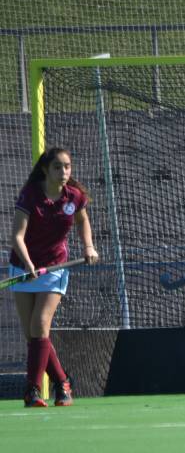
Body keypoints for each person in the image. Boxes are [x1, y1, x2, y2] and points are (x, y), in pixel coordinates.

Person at [9, 147, 100, 407]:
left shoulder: (74, 197)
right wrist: (28, 265)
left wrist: (89, 247)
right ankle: (62, 383)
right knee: (33, 336)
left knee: (40, 324)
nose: (64, 172)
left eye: (67, 166)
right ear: (46, 170)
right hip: (23, 267)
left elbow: (83, 222)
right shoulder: (30, 195)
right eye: (58, 167)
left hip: (55, 268)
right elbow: (17, 236)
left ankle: (32, 391)